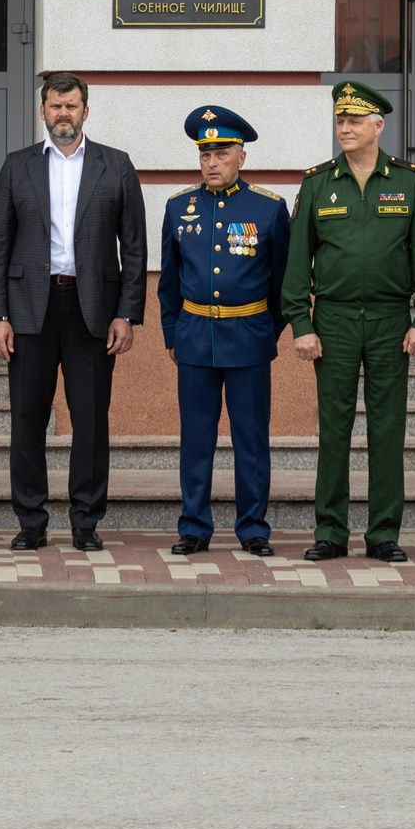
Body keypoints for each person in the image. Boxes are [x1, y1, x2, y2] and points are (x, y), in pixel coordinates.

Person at [0, 72, 145, 554]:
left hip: (92, 309)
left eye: (71, 106)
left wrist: (127, 313)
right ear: (43, 111)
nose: (63, 114)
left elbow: (134, 247)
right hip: (29, 309)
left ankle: (85, 521)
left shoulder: (116, 165)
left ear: (85, 111)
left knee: (90, 420)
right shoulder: (18, 166)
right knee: (27, 418)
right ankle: (31, 521)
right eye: (55, 105)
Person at [282, 80, 415, 564]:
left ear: (378, 126)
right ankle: (330, 531)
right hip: (333, 320)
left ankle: (383, 533)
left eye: (354, 120)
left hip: (391, 321)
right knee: (333, 428)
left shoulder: (409, 182)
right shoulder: (317, 183)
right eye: (340, 120)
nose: (345, 128)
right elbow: (297, 262)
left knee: (387, 428)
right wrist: (301, 323)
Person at [158, 107, 291, 557]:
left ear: (241, 157)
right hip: (195, 338)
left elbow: (283, 282)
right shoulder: (179, 207)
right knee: (196, 440)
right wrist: (173, 333)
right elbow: (169, 282)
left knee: (250, 440)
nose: (212, 163)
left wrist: (267, 331)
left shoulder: (268, 209)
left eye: (222, 153)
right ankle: (194, 526)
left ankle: (253, 527)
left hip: (249, 338)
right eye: (205, 154)